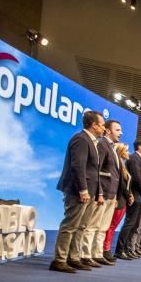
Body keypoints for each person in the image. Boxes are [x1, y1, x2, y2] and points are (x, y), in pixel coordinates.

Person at [50, 110, 104, 273]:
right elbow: (78, 166)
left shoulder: (92, 142)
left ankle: (73, 257)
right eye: (102, 125)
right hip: (78, 191)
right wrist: (83, 189)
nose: (104, 129)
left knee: (81, 226)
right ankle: (59, 260)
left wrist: (97, 192)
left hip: (90, 192)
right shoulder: (81, 139)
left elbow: (94, 171)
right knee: (71, 225)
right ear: (94, 125)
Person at [84, 118, 123, 266]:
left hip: (111, 194)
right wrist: (99, 192)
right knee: (93, 225)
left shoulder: (112, 147)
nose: (121, 133)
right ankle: (86, 254)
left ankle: (97, 253)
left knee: (103, 227)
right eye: (117, 130)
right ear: (108, 130)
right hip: (103, 193)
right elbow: (96, 170)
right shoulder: (103, 145)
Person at [116, 139, 141, 260]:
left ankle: (127, 249)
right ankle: (119, 250)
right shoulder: (134, 158)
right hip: (136, 195)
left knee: (135, 225)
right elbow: (137, 178)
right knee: (129, 224)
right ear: (140, 147)